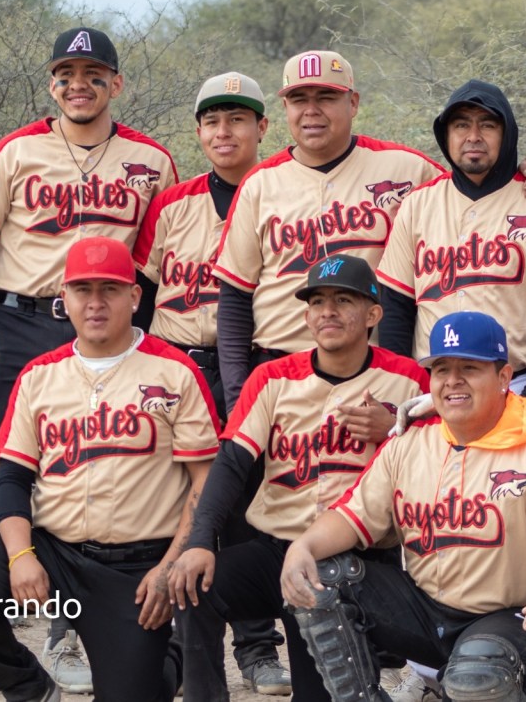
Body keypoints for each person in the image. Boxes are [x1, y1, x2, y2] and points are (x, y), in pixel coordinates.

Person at [0, 26, 177, 698]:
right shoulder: (19, 149)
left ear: (116, 84)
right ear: (51, 82)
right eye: (67, 72)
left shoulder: (150, 161)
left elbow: (156, 265)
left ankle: (72, 631)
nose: (80, 83)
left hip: (107, 330)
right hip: (18, 323)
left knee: (95, 476)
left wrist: (146, 340)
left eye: (94, 72)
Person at [0, 236, 219, 702]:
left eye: (110, 288)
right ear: (63, 299)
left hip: (137, 564)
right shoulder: (40, 374)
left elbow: (204, 485)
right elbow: (12, 480)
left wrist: (170, 566)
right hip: (54, 551)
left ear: (134, 296)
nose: (96, 302)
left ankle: (171, 653)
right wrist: (22, 556)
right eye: (83, 289)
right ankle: (30, 688)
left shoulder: (175, 371)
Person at [280, 310, 526, 702]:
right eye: (441, 369)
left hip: (511, 621)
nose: (452, 381)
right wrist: (300, 547)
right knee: (321, 576)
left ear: (504, 378)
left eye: (469, 368)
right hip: (425, 612)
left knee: (476, 678)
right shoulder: (408, 443)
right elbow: (350, 517)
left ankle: (520, 688)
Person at [212, 50, 526, 415]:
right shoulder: (259, 184)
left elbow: (475, 181)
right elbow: (234, 299)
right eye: (299, 99)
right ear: (285, 108)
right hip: (279, 375)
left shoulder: (406, 168)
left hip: (373, 377)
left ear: (354, 103)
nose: (311, 110)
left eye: (326, 97)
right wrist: (239, 400)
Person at [168, 253, 430, 701]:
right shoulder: (272, 378)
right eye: (317, 301)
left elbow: (443, 461)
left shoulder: (408, 379)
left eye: (343, 300)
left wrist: (394, 428)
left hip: (354, 565)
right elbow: (232, 464)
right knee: (195, 586)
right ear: (307, 316)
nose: (327, 310)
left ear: (373, 314)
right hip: (275, 553)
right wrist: (198, 544)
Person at [131, 72, 290, 694]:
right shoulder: (173, 203)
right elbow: (141, 295)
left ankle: (256, 648)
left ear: (261, 128)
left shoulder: (282, 190)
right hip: (176, 363)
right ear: (198, 131)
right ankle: (171, 647)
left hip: (245, 360)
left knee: (243, 503)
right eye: (212, 121)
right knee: (174, 502)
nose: (224, 132)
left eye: (238, 119)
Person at [377, 79, 526, 401]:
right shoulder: (418, 204)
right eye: (461, 125)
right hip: (432, 386)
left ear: (507, 134)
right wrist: (405, 387)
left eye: (487, 125)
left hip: (516, 384)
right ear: (445, 135)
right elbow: (396, 307)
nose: (473, 137)